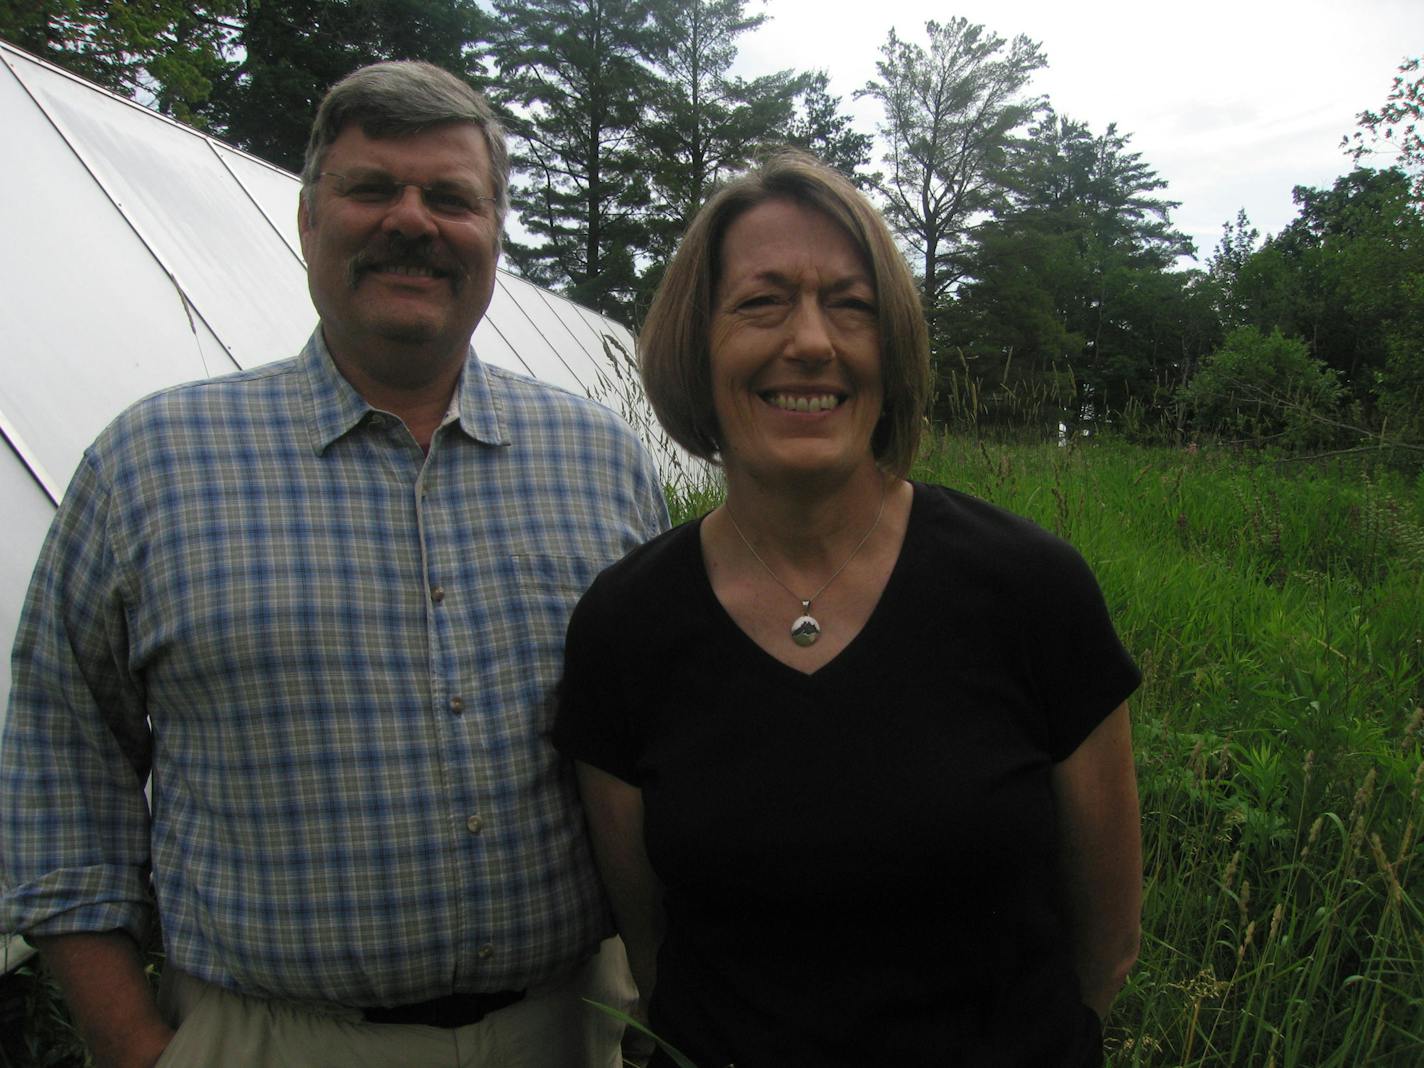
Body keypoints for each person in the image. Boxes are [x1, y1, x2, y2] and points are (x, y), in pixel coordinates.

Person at [0, 61, 667, 1068]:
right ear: (309, 221)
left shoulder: (601, 463)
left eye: (451, 198)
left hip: (565, 1029)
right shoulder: (152, 466)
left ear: (493, 234)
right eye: (371, 190)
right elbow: (61, 758)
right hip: (265, 1039)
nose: (412, 221)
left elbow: (663, 745)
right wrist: (133, 1045)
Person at [553, 153, 1142, 1068]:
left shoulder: (1032, 591)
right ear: (695, 345)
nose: (813, 341)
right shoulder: (625, 628)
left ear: (892, 347)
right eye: (761, 302)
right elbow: (653, 945)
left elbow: (1106, 945)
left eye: (850, 304)